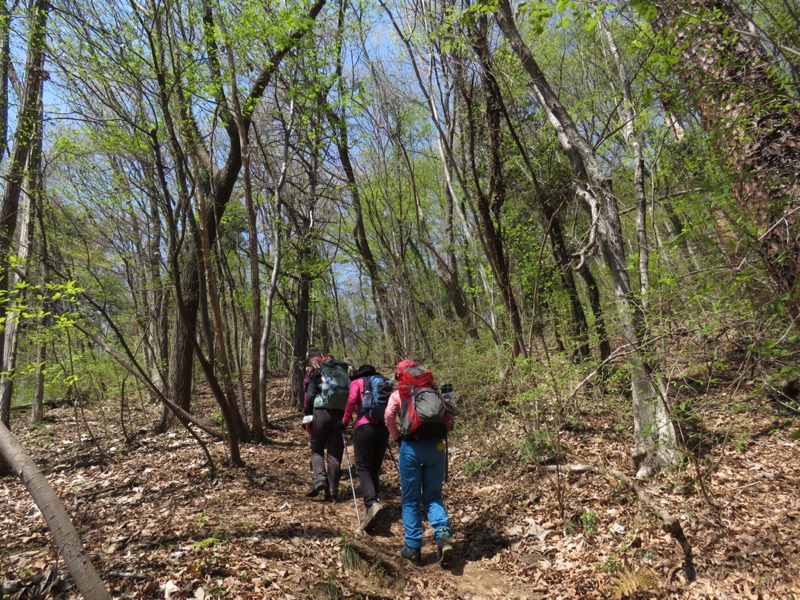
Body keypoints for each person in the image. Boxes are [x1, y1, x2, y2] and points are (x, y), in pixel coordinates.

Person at [385, 359, 453, 567]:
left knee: (411, 499)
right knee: (433, 496)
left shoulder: (399, 393)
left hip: (411, 449)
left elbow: (388, 416)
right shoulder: (431, 390)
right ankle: (442, 535)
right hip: (436, 449)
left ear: (399, 376)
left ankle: (413, 547)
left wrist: (396, 436)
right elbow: (447, 420)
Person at [341, 364, 391, 532]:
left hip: (363, 427)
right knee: (374, 469)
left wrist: (345, 420)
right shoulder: (384, 382)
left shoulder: (358, 383)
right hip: (383, 429)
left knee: (363, 468)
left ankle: (371, 504)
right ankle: (373, 504)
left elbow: (350, 400)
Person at [303, 351, 349, 501]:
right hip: (340, 414)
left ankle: (319, 479)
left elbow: (310, 396)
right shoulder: (343, 373)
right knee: (335, 455)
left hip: (321, 413)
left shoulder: (317, 372)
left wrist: (307, 413)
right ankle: (332, 493)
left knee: (317, 449)